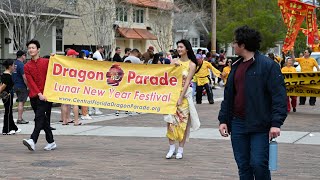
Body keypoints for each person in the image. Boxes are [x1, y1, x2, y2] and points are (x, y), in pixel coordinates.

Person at [218, 26, 287, 180]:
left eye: (235, 42)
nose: (232, 45)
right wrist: (223, 120)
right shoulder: (235, 67)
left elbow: (279, 97)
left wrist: (276, 123)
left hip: (260, 124)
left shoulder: (268, 65)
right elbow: (228, 96)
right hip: (238, 124)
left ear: (243, 45)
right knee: (243, 165)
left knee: (258, 163)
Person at [165, 39, 199, 159]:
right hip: (172, 96)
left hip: (184, 97)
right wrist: (173, 67)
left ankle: (180, 149)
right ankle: (171, 148)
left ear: (187, 49)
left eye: (181, 47)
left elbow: (187, 82)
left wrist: (180, 98)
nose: (179, 49)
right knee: (170, 122)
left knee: (183, 123)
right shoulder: (174, 61)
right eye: (178, 47)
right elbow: (167, 78)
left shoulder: (192, 65)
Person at [22, 39, 57, 151]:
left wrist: (54, 57)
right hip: (34, 96)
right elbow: (30, 82)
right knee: (43, 119)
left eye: (33, 48)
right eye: (29, 48)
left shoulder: (46, 62)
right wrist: (38, 93)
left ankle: (33, 140)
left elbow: (56, 67)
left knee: (38, 118)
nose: (31, 50)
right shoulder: (27, 66)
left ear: (38, 50)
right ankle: (51, 142)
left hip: (46, 96)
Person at [1, 60, 21, 135]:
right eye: (13, 65)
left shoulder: (4, 74)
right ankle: (6, 130)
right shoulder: (7, 76)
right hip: (7, 95)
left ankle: (13, 128)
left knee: (9, 111)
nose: (14, 67)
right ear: (10, 66)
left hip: (5, 95)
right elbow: (3, 86)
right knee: (8, 112)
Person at [12, 50, 29, 124]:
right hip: (22, 85)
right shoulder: (21, 65)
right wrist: (28, 86)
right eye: (25, 55)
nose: (25, 57)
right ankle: (20, 118)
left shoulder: (14, 64)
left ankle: (20, 118)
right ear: (22, 56)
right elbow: (24, 77)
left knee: (19, 101)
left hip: (15, 85)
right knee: (21, 102)